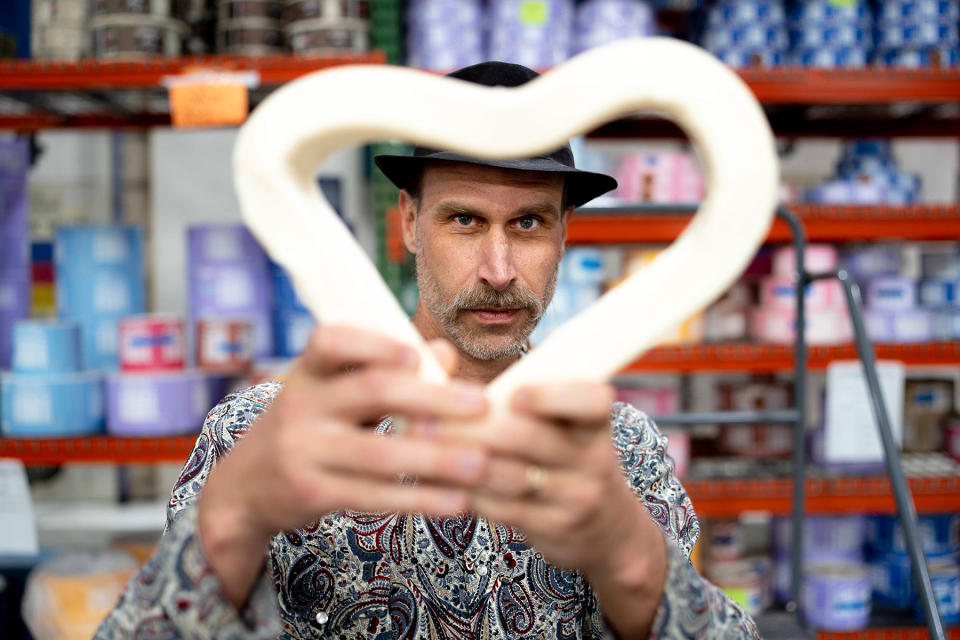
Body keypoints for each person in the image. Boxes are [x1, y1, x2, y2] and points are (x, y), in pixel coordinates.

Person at [96, 62, 760, 639]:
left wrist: (630, 560)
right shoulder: (263, 435)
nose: (499, 269)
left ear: (564, 235)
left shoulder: (619, 452)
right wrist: (233, 519)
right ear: (410, 223)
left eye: (527, 223)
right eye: (465, 219)